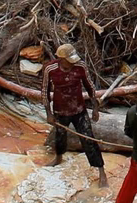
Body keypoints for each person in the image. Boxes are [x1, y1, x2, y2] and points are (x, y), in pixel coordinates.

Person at [43, 44, 107, 187]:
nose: (73, 62)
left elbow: (90, 87)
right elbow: (44, 92)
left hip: (79, 110)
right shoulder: (50, 69)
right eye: (68, 59)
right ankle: (58, 157)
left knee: (89, 139)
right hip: (60, 110)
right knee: (60, 136)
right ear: (61, 58)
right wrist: (48, 113)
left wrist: (95, 108)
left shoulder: (80, 67)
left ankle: (101, 170)